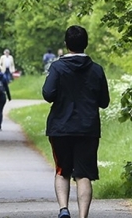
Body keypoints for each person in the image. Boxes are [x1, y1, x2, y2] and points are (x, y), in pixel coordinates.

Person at [42, 25, 110, 218]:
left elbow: (48, 94)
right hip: (88, 128)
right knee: (84, 174)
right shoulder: (96, 70)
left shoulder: (57, 67)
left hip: (60, 128)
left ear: (66, 44)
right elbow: (104, 102)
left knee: (62, 171)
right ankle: (83, 216)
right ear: (86, 44)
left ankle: (64, 209)